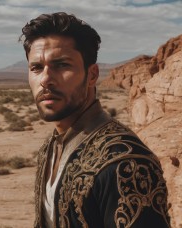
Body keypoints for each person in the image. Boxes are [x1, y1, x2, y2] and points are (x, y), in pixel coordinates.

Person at [19, 12, 170, 228]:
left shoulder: (126, 162)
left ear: (92, 75)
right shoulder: (49, 148)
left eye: (62, 65)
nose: (45, 79)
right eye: (36, 68)